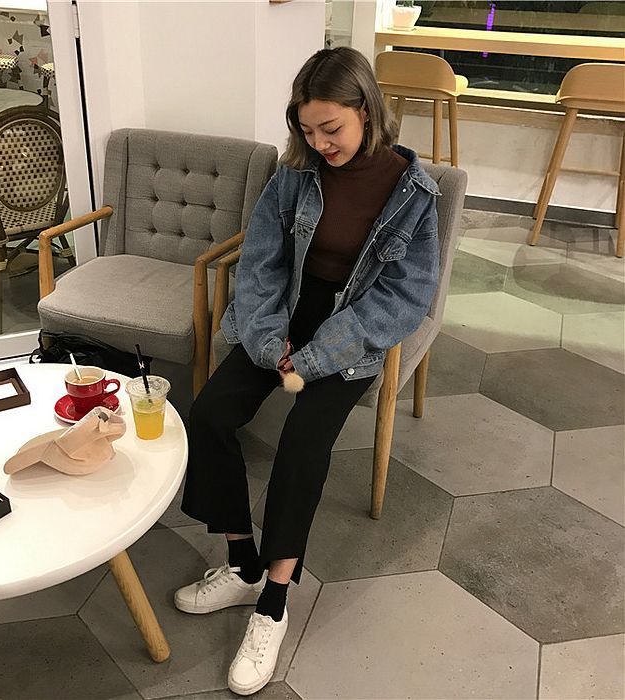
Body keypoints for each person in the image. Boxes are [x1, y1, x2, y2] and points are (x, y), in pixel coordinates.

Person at [176, 46, 440, 696]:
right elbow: (262, 263)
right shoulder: (293, 176)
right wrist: (271, 342)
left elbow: (405, 298)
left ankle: (274, 603)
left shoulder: (414, 195)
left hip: (352, 333)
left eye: (331, 128)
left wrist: (320, 354)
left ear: (366, 110)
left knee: (301, 444)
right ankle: (243, 565)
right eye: (307, 129)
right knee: (208, 415)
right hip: (283, 316)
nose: (319, 143)